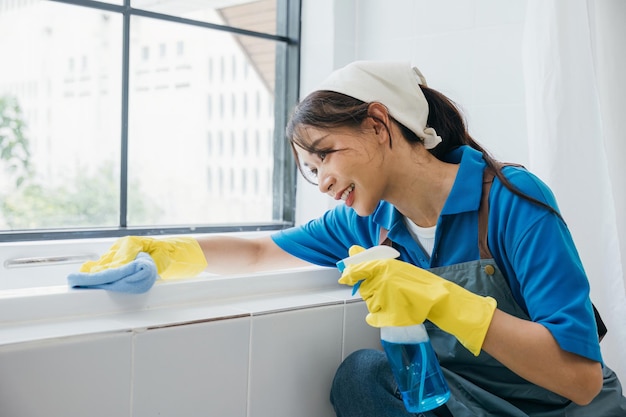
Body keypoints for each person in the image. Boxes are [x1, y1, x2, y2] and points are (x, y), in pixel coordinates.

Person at [79, 61, 626, 416]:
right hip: (477, 406)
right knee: (365, 376)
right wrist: (165, 249)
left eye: (326, 154)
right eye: (311, 170)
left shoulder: (511, 198)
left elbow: (576, 378)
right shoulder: (369, 220)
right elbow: (261, 250)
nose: (324, 181)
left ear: (378, 124)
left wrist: (439, 296)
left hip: (566, 409)